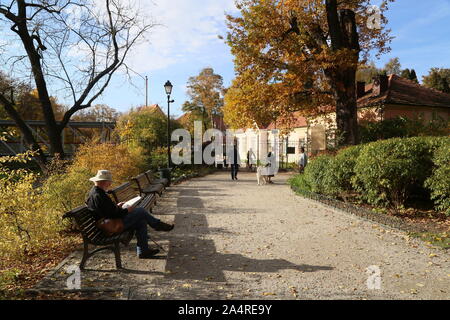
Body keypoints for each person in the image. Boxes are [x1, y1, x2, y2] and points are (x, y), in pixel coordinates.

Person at [86, 170, 174, 259]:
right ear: (104, 182)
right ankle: (157, 225)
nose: (110, 184)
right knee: (140, 211)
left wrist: (118, 206)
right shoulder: (99, 195)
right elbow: (112, 214)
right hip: (110, 227)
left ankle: (143, 252)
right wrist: (127, 210)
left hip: (110, 222)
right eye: (109, 182)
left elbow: (106, 210)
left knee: (141, 221)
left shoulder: (96, 192)